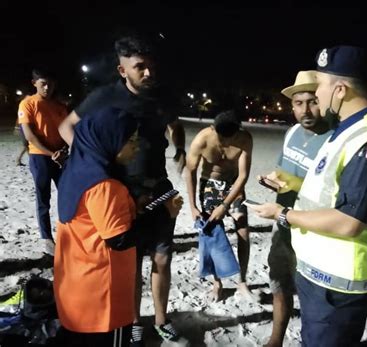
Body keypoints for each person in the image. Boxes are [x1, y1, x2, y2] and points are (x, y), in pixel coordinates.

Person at [250, 46, 367, 346]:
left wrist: (282, 214)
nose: (317, 96)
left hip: (340, 282)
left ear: (340, 90)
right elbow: (326, 192)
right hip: (319, 272)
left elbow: (349, 221)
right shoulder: (347, 132)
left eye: (320, 86)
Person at [58, 35, 186, 346]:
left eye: (151, 67)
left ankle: (160, 319)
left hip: (158, 186)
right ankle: (130, 321)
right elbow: (66, 128)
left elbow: (176, 125)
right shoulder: (103, 98)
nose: (148, 73)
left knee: (163, 260)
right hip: (121, 190)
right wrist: (93, 161)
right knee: (130, 262)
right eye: (140, 67)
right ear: (121, 69)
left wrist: (179, 148)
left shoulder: (161, 97)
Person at [258, 71, 331, 347]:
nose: (306, 110)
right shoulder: (291, 133)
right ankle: (276, 339)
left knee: (312, 296)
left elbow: (329, 192)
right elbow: (283, 173)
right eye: (299, 103)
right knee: (279, 282)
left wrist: (291, 188)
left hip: (314, 229)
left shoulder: (333, 138)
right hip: (283, 224)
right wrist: (273, 181)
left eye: (312, 101)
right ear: (292, 107)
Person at [185, 110, 254, 302]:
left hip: (233, 185)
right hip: (209, 184)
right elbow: (190, 171)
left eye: (229, 138)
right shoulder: (202, 140)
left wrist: (225, 205)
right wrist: (192, 206)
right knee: (213, 233)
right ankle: (217, 283)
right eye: (221, 138)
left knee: (243, 229)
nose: (224, 143)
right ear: (213, 129)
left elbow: (243, 175)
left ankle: (242, 281)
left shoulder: (244, 139)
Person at [17, 69, 68, 254]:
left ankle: (68, 234)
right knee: (43, 198)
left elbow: (66, 131)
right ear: (34, 83)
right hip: (40, 157)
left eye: (50, 84)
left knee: (68, 195)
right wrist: (50, 152)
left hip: (61, 157)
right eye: (43, 83)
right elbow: (30, 135)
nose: (47, 87)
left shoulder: (60, 106)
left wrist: (62, 150)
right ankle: (47, 238)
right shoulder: (27, 104)